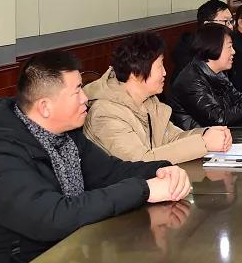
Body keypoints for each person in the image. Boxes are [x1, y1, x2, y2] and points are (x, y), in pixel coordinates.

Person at [0, 51, 190, 263]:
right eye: (77, 91)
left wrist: (162, 170)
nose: (85, 98)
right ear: (45, 107)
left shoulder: (64, 135)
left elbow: (111, 172)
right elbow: (53, 217)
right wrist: (144, 189)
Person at [84, 32, 232, 164]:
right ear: (136, 72)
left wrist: (206, 134)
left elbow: (172, 138)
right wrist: (203, 143)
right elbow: (140, 161)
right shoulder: (106, 113)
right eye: (160, 66)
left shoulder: (149, 101)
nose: (165, 73)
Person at [169, 23, 242, 129]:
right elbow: (218, 119)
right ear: (214, 47)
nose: (233, 52)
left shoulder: (218, 73)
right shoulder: (190, 81)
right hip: (199, 137)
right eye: (229, 47)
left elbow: (238, 100)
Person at [171, 0, 232, 78]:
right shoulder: (190, 55)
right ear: (207, 24)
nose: (230, 26)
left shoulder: (224, 46)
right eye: (226, 21)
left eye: (231, 21)